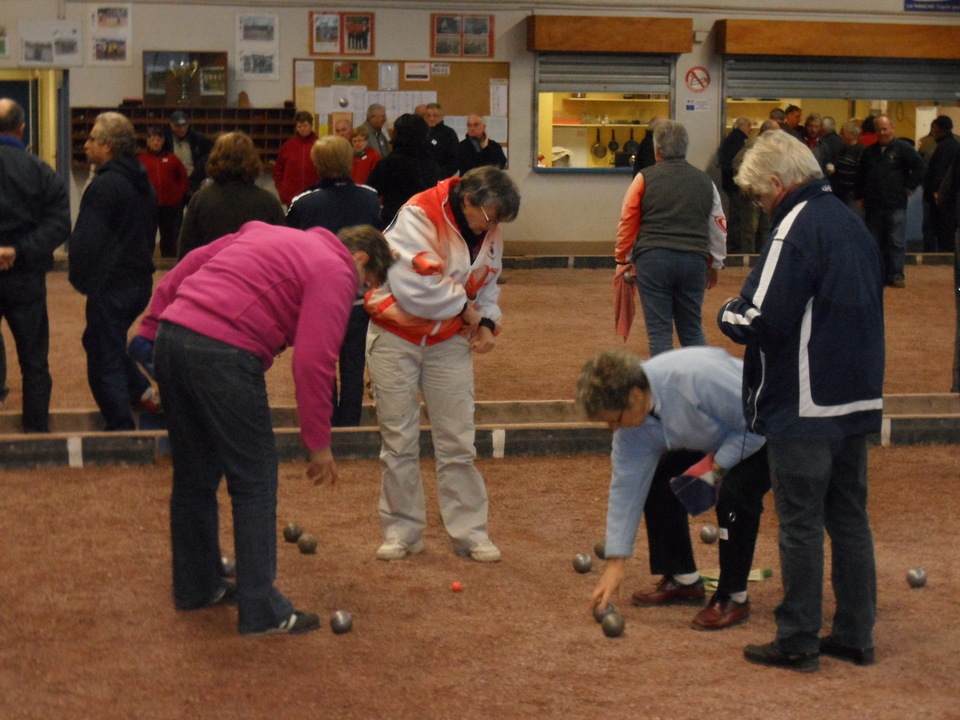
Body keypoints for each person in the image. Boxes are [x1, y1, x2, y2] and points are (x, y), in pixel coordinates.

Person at [133, 221, 393, 635]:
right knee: (254, 479)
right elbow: (313, 360)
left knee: (194, 475)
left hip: (173, 337)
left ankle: (197, 587)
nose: (360, 292)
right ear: (360, 259)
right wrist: (318, 442)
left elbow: (189, 265)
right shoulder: (338, 269)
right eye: (367, 283)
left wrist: (149, 328)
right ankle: (260, 608)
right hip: (224, 353)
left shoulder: (266, 232)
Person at [718, 129, 885, 673]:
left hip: (805, 403)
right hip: (856, 399)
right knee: (850, 518)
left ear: (777, 182)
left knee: (800, 523)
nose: (763, 208)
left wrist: (727, 312)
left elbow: (761, 315)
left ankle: (797, 639)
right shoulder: (851, 223)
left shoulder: (796, 225)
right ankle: (856, 635)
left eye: (761, 197)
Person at [364, 165, 520, 563]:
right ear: (469, 200)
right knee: (398, 440)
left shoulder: (489, 229)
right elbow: (414, 288)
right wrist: (468, 313)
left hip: (448, 341)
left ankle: (470, 534)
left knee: (458, 440)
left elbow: (487, 282)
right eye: (490, 218)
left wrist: (486, 321)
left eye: (500, 221)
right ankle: (402, 532)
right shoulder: (418, 213)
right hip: (395, 337)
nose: (493, 228)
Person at [576, 347, 771, 631]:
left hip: (769, 429)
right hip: (724, 435)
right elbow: (627, 485)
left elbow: (758, 422)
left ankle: (733, 596)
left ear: (635, 396)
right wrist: (616, 563)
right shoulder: (633, 425)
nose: (613, 429)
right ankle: (683, 579)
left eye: (614, 419)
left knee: (735, 496)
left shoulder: (695, 378)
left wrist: (717, 465)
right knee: (658, 481)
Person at [68, 111, 158, 431]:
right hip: (138, 282)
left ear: (107, 146)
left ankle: (121, 430)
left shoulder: (106, 185)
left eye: (93, 138)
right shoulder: (142, 179)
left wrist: (81, 278)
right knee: (98, 341)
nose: (87, 144)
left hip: (112, 284)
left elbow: (88, 240)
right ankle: (141, 392)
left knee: (103, 360)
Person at [286, 135, 380, 427]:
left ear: (317, 164)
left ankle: (326, 426)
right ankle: (349, 425)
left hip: (320, 299)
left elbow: (290, 249)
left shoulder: (303, 203)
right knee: (353, 367)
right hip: (359, 297)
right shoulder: (369, 196)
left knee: (323, 366)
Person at [615, 119, 726, 357]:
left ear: (657, 150)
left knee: (659, 333)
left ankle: (664, 391)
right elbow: (718, 225)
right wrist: (715, 263)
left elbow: (628, 220)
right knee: (692, 330)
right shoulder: (705, 181)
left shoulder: (644, 178)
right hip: (693, 261)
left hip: (653, 259)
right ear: (685, 148)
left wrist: (623, 258)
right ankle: (699, 388)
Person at [0, 97, 71, 433]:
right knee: (34, 360)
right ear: (22, 129)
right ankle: (36, 430)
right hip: (25, 276)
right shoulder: (40, 170)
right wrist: (17, 250)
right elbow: (59, 224)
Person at [177, 131, 285, 259]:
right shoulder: (268, 202)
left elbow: (186, 253)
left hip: (211, 274)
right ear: (253, 160)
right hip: (254, 275)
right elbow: (281, 252)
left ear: (215, 159)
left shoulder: (200, 200)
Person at [856, 114, 924, 288]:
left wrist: (910, 186)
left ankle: (896, 275)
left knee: (895, 242)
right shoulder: (869, 152)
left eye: (885, 129)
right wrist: (860, 196)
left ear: (892, 129)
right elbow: (861, 175)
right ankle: (876, 274)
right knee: (874, 242)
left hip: (895, 205)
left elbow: (920, 167)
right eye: (879, 129)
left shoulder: (903, 149)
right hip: (873, 206)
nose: (882, 133)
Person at [366, 113, 444, 230]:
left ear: (397, 134)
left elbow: (370, 193)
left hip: (394, 224)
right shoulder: (432, 166)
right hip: (425, 225)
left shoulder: (388, 163)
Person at [138, 125, 189, 258]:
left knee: (169, 238)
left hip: (169, 206)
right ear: (148, 141)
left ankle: (169, 262)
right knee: (148, 236)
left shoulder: (172, 159)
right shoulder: (141, 160)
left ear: (163, 141)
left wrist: (178, 196)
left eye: (158, 140)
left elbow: (183, 178)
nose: (155, 142)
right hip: (148, 206)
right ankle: (146, 262)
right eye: (152, 139)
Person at [922, 115, 959, 253]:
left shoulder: (943, 146)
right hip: (950, 196)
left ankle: (939, 256)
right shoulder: (954, 144)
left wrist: (937, 191)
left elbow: (940, 171)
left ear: (937, 128)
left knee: (938, 228)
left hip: (940, 197)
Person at [717, 117, 752, 254]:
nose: (750, 129)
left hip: (729, 184)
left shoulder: (730, 138)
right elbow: (737, 163)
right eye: (749, 125)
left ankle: (733, 245)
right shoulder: (739, 141)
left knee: (735, 216)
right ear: (742, 126)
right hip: (736, 185)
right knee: (739, 218)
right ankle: (736, 248)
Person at [271, 110, 319, 207]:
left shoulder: (320, 145)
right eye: (299, 126)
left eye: (305, 126)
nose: (302, 129)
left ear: (311, 125)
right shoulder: (288, 146)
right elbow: (278, 170)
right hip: (291, 197)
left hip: (314, 196)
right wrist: (282, 189)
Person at [831, 120, 866, 216]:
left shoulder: (860, 151)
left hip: (853, 195)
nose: (840, 135)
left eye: (843, 133)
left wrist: (860, 196)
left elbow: (863, 174)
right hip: (840, 193)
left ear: (851, 135)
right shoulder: (842, 149)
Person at [423, 102, 460, 178]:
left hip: (441, 177)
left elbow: (454, 160)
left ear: (442, 117)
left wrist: (442, 176)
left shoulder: (449, 133)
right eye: (428, 115)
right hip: (422, 178)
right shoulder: (420, 132)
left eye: (435, 115)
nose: (431, 118)